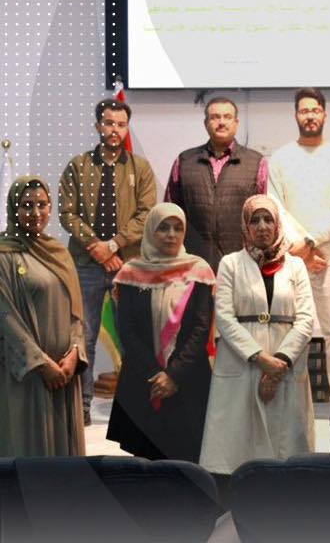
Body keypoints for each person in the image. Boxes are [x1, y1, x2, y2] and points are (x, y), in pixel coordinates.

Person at [199, 195, 315, 475]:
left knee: (286, 450)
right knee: (239, 449)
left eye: (268, 219)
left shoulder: (296, 266)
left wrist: (278, 364)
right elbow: (224, 317)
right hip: (243, 363)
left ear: (277, 225)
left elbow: (306, 319)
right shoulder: (230, 264)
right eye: (255, 220)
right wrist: (261, 358)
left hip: (286, 364)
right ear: (246, 226)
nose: (262, 226)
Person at [58, 98, 157, 423]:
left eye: (121, 124)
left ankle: (133, 410)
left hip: (126, 264)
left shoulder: (140, 168)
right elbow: (67, 213)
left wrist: (113, 246)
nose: (115, 130)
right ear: (98, 125)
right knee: (82, 337)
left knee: (133, 337)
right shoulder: (78, 166)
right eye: (109, 123)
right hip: (85, 264)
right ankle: (82, 408)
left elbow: (146, 214)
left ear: (127, 128)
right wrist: (96, 247)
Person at [107, 203, 216, 462]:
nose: (171, 235)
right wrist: (155, 374)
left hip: (187, 379)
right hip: (143, 379)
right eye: (163, 228)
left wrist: (173, 375)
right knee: (145, 463)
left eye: (178, 228)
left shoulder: (199, 270)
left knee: (187, 461)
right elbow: (127, 330)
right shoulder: (131, 273)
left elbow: (201, 329)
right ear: (150, 231)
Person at [268, 88, 330, 393]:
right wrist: (302, 250)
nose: (310, 116)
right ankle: (290, 401)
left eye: (315, 110)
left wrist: (310, 241)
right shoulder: (280, 159)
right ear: (296, 116)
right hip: (291, 261)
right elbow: (275, 207)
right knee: (290, 335)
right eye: (304, 111)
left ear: (324, 114)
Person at [0, 176, 87, 456]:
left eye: (42, 204)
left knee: (63, 458)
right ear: (13, 208)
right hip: (28, 375)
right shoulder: (4, 255)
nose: (35, 212)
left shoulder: (60, 253)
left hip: (64, 373)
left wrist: (74, 352)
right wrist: (41, 363)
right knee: (29, 449)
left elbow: (76, 310)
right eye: (27, 205)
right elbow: (6, 318)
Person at [165, 97, 269, 271]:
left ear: (236, 123)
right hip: (193, 262)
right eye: (215, 117)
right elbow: (170, 212)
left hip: (241, 263)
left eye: (227, 117)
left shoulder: (256, 162)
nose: (221, 122)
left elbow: (264, 216)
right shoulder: (185, 161)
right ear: (206, 123)